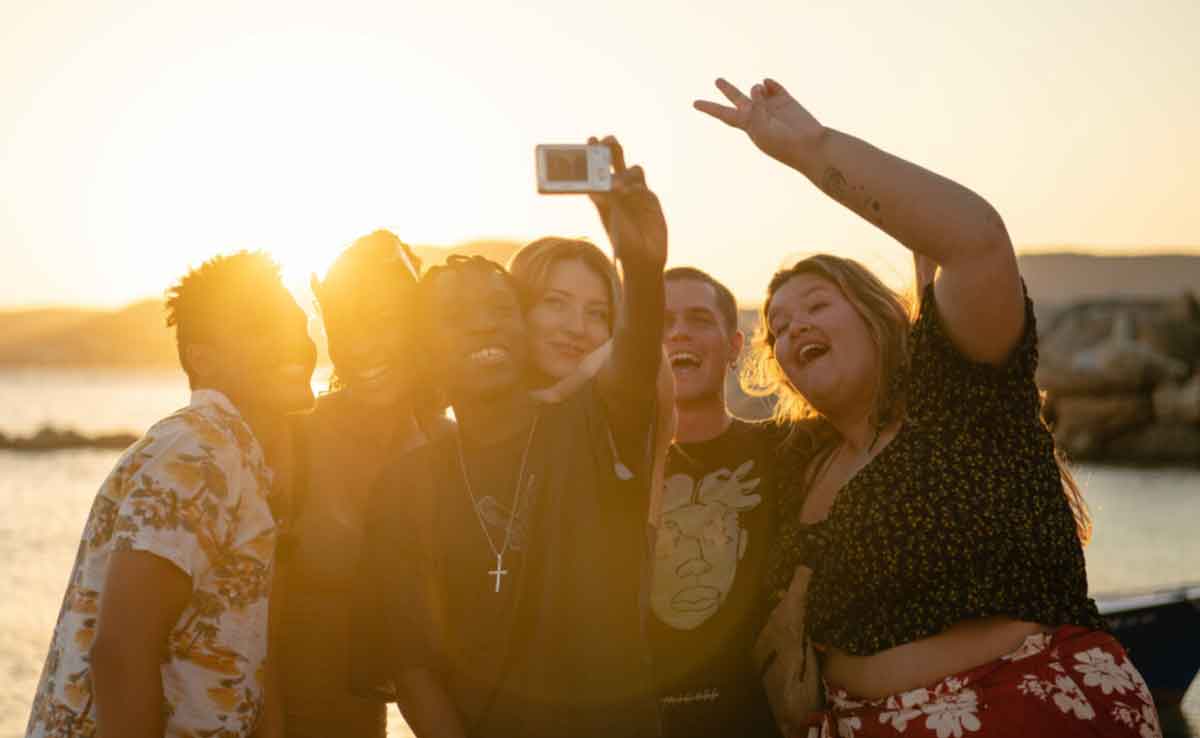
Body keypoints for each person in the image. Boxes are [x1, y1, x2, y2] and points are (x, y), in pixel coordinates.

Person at [696, 77, 1161, 737]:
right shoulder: (797, 458)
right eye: (778, 326)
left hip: (1026, 712)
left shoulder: (964, 400)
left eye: (817, 305)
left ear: (883, 316)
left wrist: (812, 150)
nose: (794, 326)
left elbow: (975, 240)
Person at [350, 138, 665, 738]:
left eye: (498, 309)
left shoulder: (597, 425)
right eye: (456, 315)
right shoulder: (406, 486)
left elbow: (635, 361)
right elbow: (413, 673)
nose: (483, 324)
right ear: (424, 348)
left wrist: (644, 271)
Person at [26, 251, 316, 738]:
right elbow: (119, 652)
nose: (296, 343)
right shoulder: (198, 454)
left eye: (298, 325)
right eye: (263, 328)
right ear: (202, 358)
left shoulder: (235, 457)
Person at [277, 230, 439, 738]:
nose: (365, 342)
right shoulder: (289, 443)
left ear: (419, 327)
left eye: (385, 319)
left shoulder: (451, 451)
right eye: (348, 321)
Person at [650, 266, 785, 738]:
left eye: (699, 319)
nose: (679, 332)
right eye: (661, 322)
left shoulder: (787, 451)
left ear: (733, 347)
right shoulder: (606, 470)